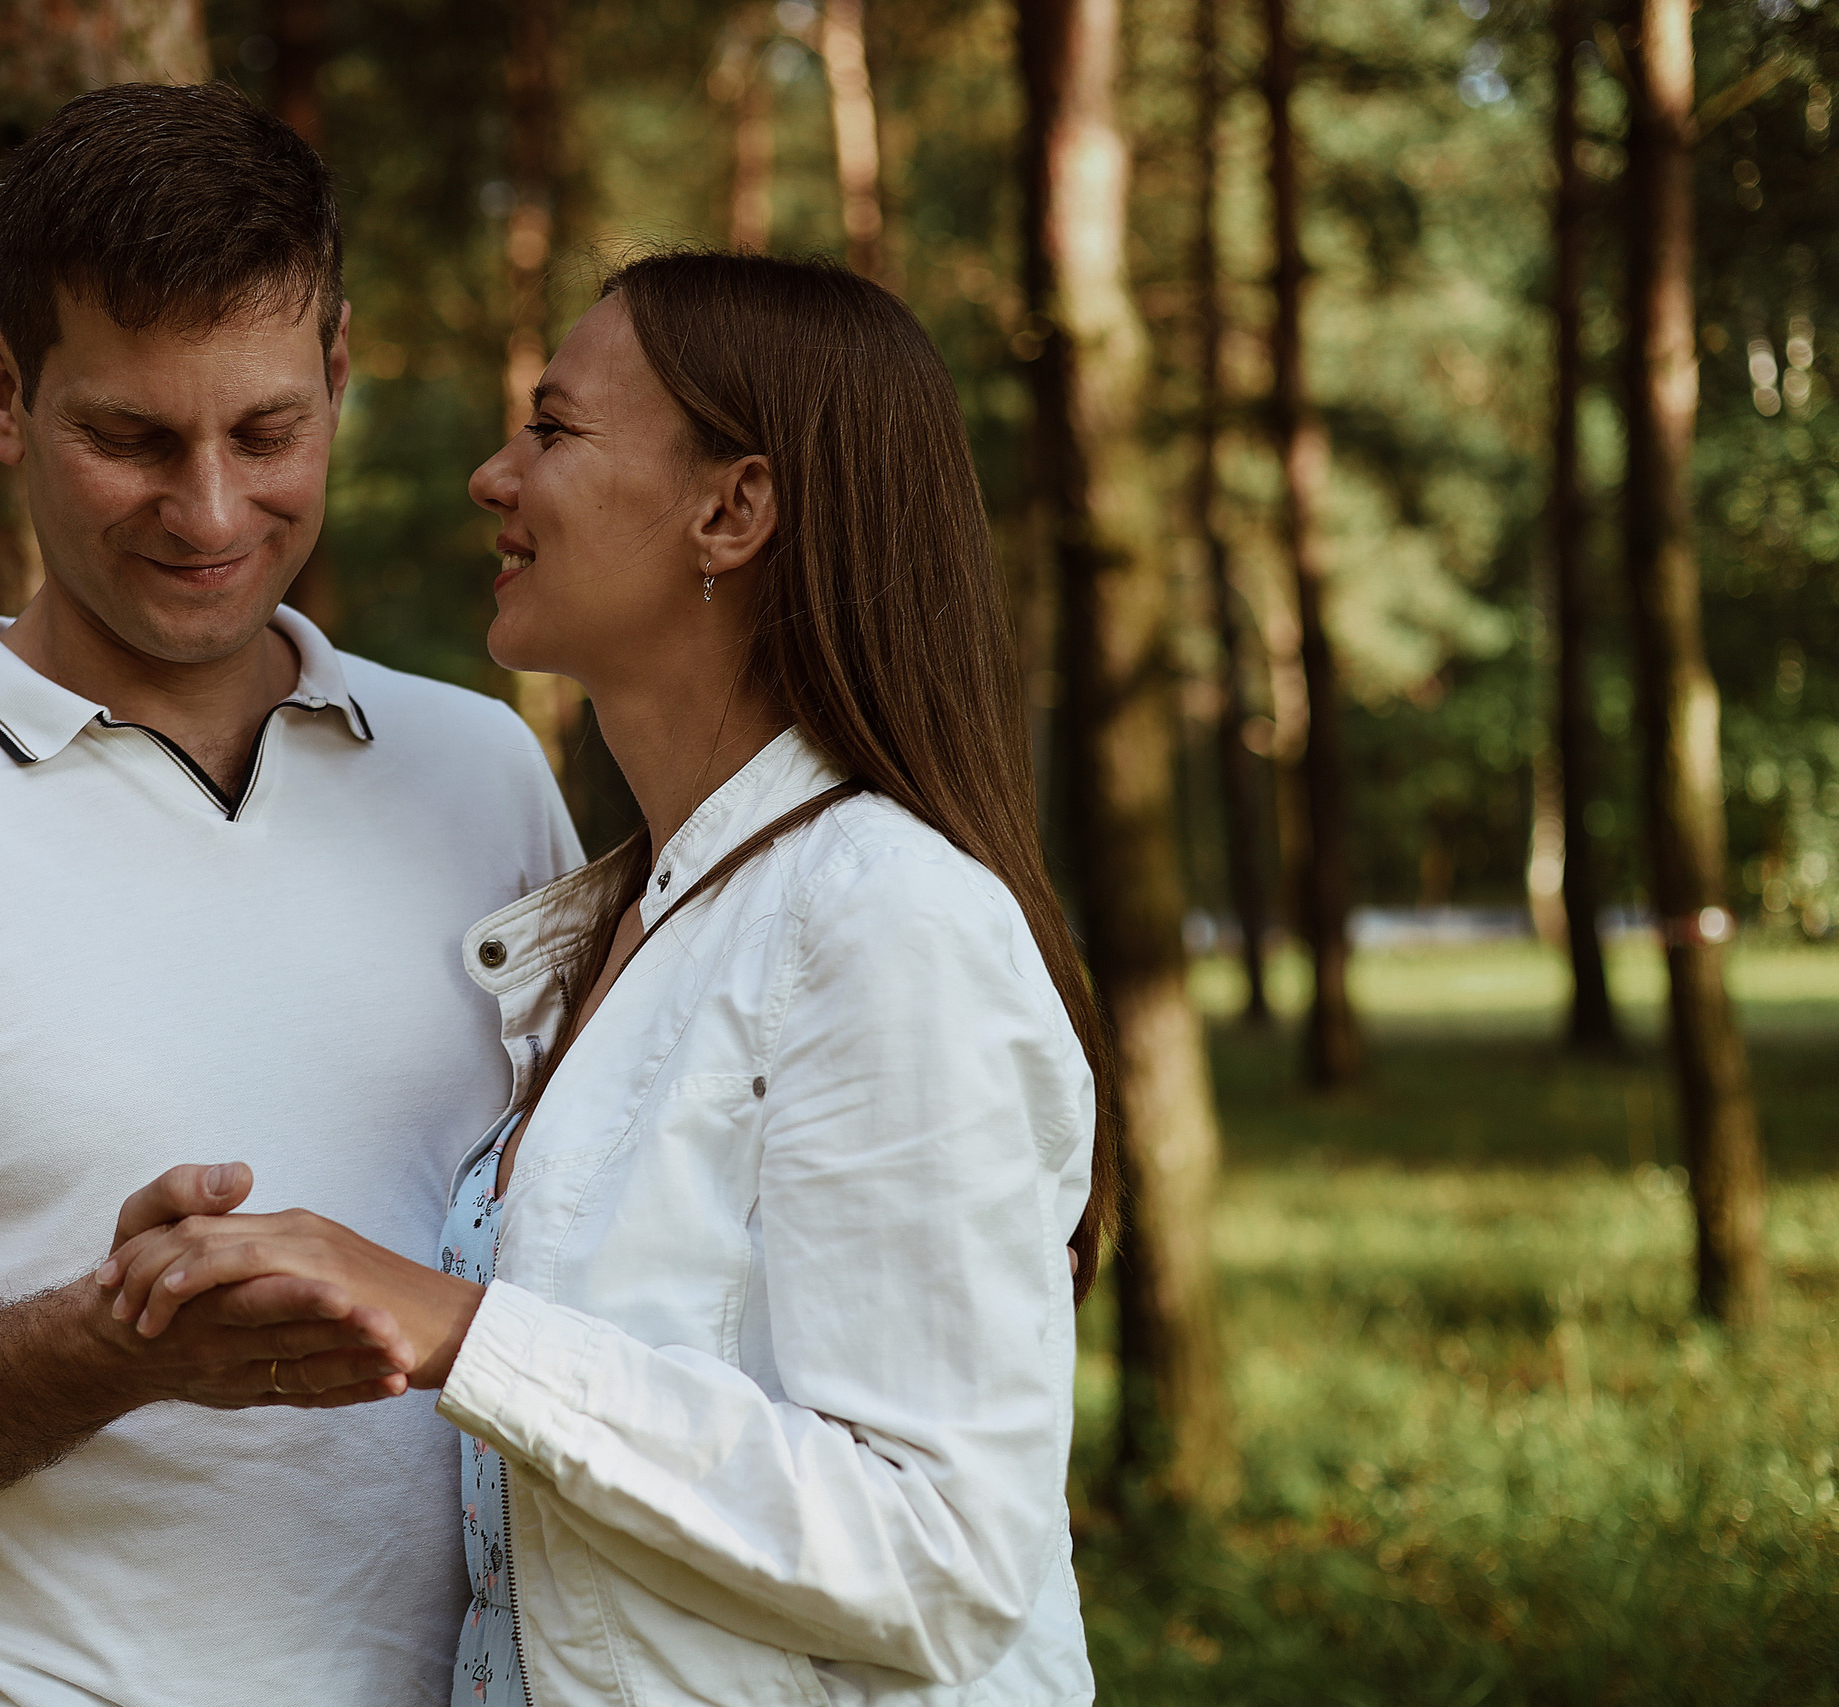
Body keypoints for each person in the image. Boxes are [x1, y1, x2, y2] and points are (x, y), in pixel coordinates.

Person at [0, 84, 579, 1705]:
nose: (212, 515)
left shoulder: (482, 770)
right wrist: (103, 1348)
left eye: (268, 433)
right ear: (1, 391)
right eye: (133, 439)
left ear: (341, 375)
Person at [102, 252, 1118, 1705]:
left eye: (554, 430)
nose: (491, 476)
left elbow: (942, 1555)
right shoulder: (629, 920)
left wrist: (457, 1328)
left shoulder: (886, 921)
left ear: (734, 508)